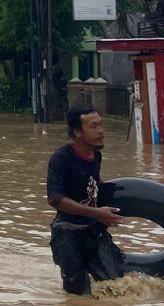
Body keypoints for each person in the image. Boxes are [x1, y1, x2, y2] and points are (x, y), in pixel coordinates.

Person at [46, 107, 126, 296]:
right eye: (94, 126)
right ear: (77, 132)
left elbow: (93, 180)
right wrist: (98, 213)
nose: (101, 131)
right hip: (68, 234)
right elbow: (54, 199)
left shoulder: (95, 155)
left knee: (116, 287)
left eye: (100, 124)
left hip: (93, 231)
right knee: (79, 296)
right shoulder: (61, 158)